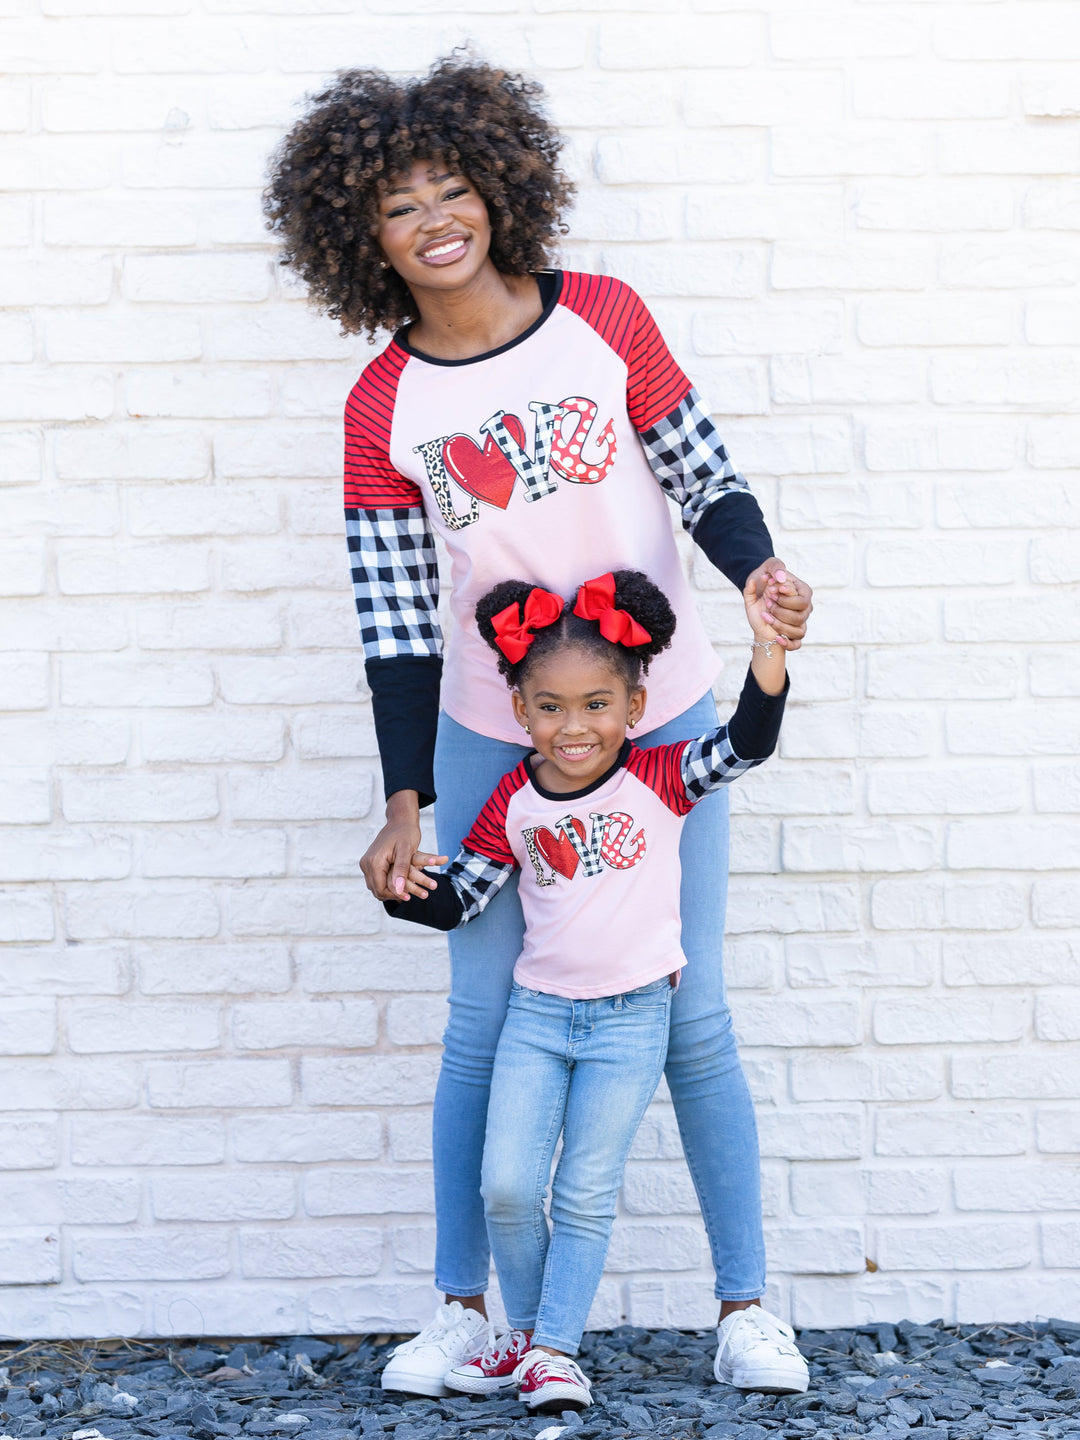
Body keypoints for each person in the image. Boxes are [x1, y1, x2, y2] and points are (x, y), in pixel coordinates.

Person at [263, 55, 814, 1398]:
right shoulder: (381, 405)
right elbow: (395, 619)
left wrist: (757, 573)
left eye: (452, 188)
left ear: (500, 189)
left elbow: (700, 471)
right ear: (362, 236)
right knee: (482, 1020)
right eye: (399, 205)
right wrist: (407, 800)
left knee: (694, 1015)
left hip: (658, 719)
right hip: (488, 735)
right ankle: (466, 1310)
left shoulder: (604, 318)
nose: (434, 221)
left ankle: (747, 1308)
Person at [382, 569, 791, 1412]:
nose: (575, 727)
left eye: (597, 705)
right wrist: (402, 890)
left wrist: (768, 648)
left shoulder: (664, 776)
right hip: (537, 1018)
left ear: (635, 707)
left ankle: (554, 1351)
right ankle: (532, 1338)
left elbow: (747, 743)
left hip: (632, 1020)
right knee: (507, 1186)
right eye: (552, 707)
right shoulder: (513, 798)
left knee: (582, 1191)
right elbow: (465, 898)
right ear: (520, 711)